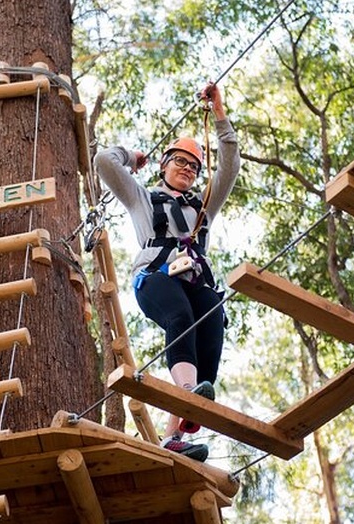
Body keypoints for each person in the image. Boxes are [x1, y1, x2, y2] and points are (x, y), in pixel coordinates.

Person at [94, 82, 240, 462]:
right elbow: (104, 162)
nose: (188, 170)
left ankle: (175, 434)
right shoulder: (142, 197)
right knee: (180, 315)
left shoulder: (204, 205)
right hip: (156, 277)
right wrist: (133, 157)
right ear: (164, 165)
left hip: (195, 280)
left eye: (193, 166)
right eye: (180, 162)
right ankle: (189, 393)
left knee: (209, 326)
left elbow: (231, 165)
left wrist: (219, 112)